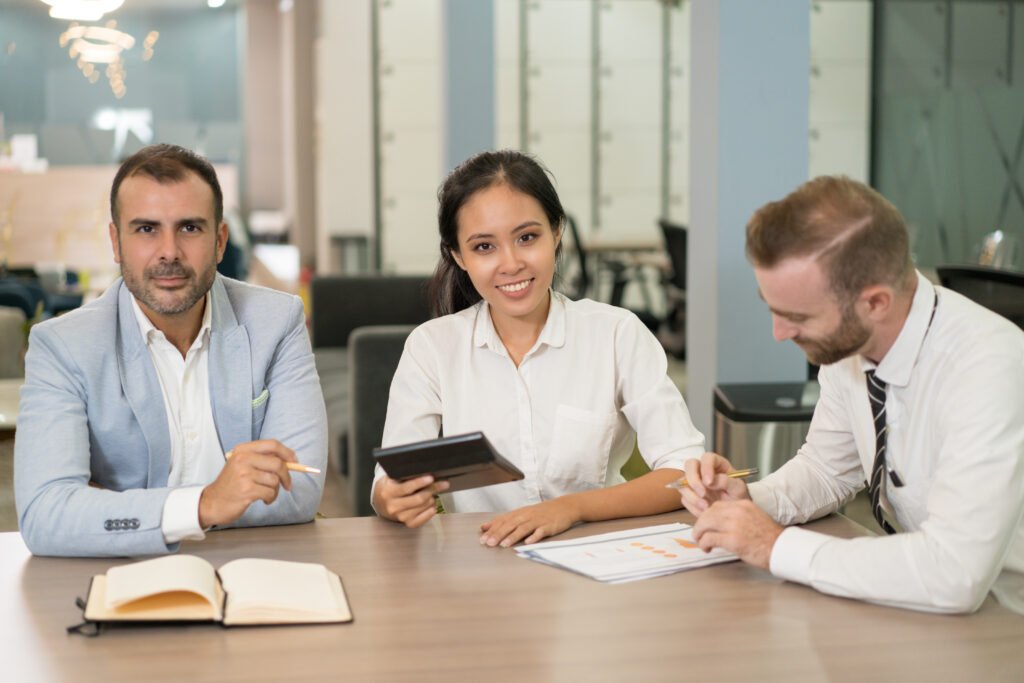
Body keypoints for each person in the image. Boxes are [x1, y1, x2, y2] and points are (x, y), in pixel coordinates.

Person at [678, 176, 1024, 614]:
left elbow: (954, 572)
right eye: (772, 309)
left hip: (1005, 621)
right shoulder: (850, 344)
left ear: (876, 303)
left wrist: (777, 547)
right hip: (918, 601)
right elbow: (827, 470)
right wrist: (750, 502)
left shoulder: (986, 366)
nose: (779, 334)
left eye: (797, 316)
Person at [372, 149, 704, 546]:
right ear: (458, 256)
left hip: (596, 558)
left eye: (527, 237)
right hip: (483, 562)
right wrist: (391, 499)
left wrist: (572, 508)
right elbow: (390, 485)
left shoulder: (616, 334)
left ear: (557, 230)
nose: (511, 263)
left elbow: (684, 471)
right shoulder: (432, 348)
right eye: (484, 247)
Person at [15, 144, 327, 558]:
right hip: (120, 575)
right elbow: (46, 515)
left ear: (219, 241)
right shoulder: (63, 346)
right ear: (116, 241)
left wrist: (107, 505)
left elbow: (300, 488)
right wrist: (207, 502)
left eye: (189, 228)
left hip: (255, 564)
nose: (169, 252)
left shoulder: (277, 321)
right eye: (146, 229)